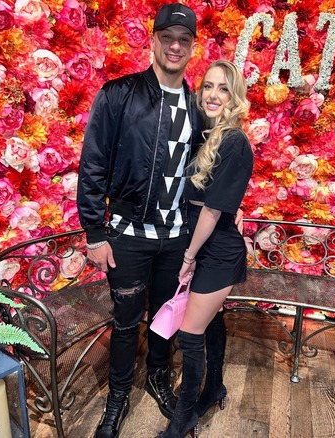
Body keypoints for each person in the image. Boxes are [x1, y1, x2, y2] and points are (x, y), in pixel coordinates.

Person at [77, 4, 204, 438]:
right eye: (167, 37)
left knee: (166, 316)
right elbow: (93, 164)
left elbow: (205, 169)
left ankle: (157, 378)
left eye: (183, 40)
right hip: (128, 236)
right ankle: (117, 398)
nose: (174, 46)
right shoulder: (118, 94)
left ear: (192, 47)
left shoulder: (196, 105)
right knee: (126, 321)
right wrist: (95, 232)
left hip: (176, 239)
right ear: (152, 40)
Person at [158, 59, 253, 438]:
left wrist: (188, 256)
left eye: (223, 88)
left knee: (191, 332)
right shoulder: (206, 134)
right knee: (209, 320)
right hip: (197, 237)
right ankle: (214, 387)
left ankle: (182, 420)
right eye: (208, 86)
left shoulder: (234, 140)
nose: (213, 95)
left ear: (235, 96)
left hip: (216, 248)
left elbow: (213, 209)